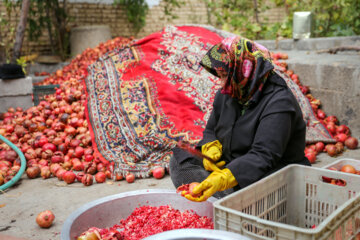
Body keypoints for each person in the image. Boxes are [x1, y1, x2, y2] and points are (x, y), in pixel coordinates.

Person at [169, 36, 311, 202]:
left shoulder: (279, 102)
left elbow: (263, 156)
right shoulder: (231, 91)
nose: (221, 84)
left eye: (224, 76)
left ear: (244, 71)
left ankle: (226, 198)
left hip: (269, 171)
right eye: (219, 76)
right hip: (231, 162)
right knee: (180, 160)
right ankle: (223, 198)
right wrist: (210, 147)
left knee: (257, 189)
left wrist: (225, 178)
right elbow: (210, 129)